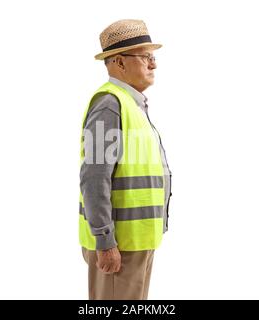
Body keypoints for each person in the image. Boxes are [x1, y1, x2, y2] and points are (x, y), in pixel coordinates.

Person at [79, 19, 172, 300]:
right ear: (118, 62)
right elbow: (94, 178)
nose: (153, 65)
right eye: (146, 57)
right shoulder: (110, 104)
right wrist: (105, 241)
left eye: (153, 57)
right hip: (118, 245)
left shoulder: (132, 104)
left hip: (137, 241)